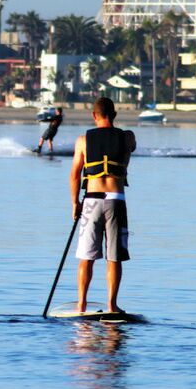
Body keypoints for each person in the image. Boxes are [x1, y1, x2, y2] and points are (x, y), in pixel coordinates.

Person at [69, 97, 136, 314]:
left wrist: (74, 204)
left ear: (93, 116)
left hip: (91, 200)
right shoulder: (127, 137)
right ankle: (111, 305)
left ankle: (81, 304)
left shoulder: (82, 141)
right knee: (114, 257)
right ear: (114, 115)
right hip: (116, 200)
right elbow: (130, 147)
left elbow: (74, 176)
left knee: (86, 257)